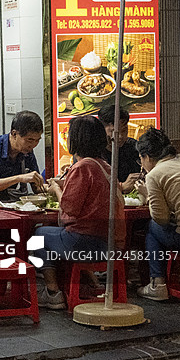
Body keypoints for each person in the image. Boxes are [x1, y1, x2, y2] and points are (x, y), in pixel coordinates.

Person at [33, 116, 125, 310]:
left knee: (39, 234)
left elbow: (69, 208)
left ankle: (53, 293)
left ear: (76, 139)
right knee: (54, 233)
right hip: (110, 243)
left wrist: (56, 189)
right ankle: (92, 284)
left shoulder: (82, 167)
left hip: (85, 243)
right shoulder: (105, 166)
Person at [135, 128, 180, 301]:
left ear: (147, 157)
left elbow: (161, 219)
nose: (141, 164)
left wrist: (147, 195)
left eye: (141, 159)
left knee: (152, 228)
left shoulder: (154, 174)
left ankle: (157, 284)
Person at [98, 105, 142, 193]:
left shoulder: (134, 147)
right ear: (102, 130)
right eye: (115, 132)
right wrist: (121, 187)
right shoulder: (96, 152)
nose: (121, 136)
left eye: (124, 130)